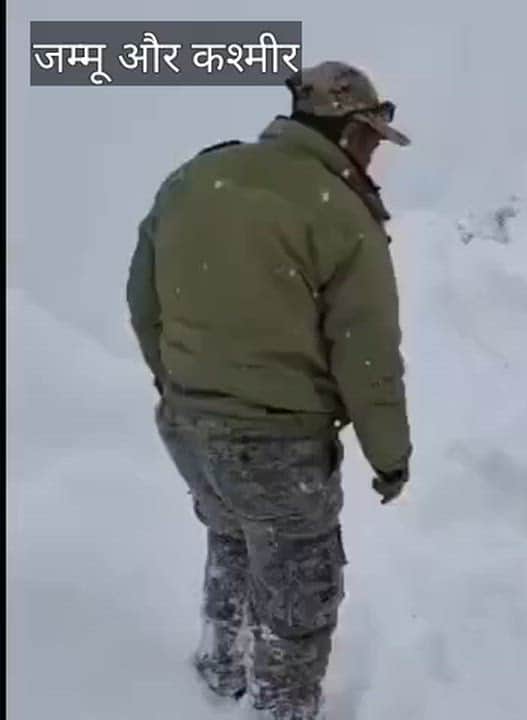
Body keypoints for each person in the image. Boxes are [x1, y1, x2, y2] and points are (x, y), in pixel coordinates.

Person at [126, 61, 413, 720]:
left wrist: (185, 389)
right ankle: (278, 710)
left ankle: (218, 668)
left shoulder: (196, 178)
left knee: (231, 536)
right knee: (297, 602)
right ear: (344, 129)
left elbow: (143, 304)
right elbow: (367, 357)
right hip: (276, 445)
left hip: (188, 428)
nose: (373, 155)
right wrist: (389, 456)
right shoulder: (340, 212)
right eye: (369, 139)